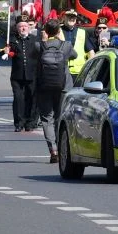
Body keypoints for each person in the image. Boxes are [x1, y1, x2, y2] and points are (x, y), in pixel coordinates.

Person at [31, 18, 78, 163]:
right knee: (60, 117)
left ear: (45, 31)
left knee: (46, 118)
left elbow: (33, 57)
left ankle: (53, 150)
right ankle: (60, 145)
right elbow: (75, 55)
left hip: (44, 86)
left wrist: (44, 40)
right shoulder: (66, 45)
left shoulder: (39, 46)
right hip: (64, 86)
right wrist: (62, 40)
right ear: (59, 31)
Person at [7, 17, 38, 132]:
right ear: (17, 28)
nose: (23, 28)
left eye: (25, 26)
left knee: (31, 98)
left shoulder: (35, 39)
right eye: (20, 26)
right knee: (18, 99)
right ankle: (19, 123)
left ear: (29, 27)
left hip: (32, 74)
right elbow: (6, 52)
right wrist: (5, 52)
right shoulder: (13, 40)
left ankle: (30, 122)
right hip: (17, 76)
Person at [60, 10, 89, 85]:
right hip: (62, 70)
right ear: (64, 17)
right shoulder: (58, 30)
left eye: (73, 17)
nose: (71, 18)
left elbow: (91, 52)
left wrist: (89, 70)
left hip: (79, 72)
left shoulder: (82, 32)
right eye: (69, 16)